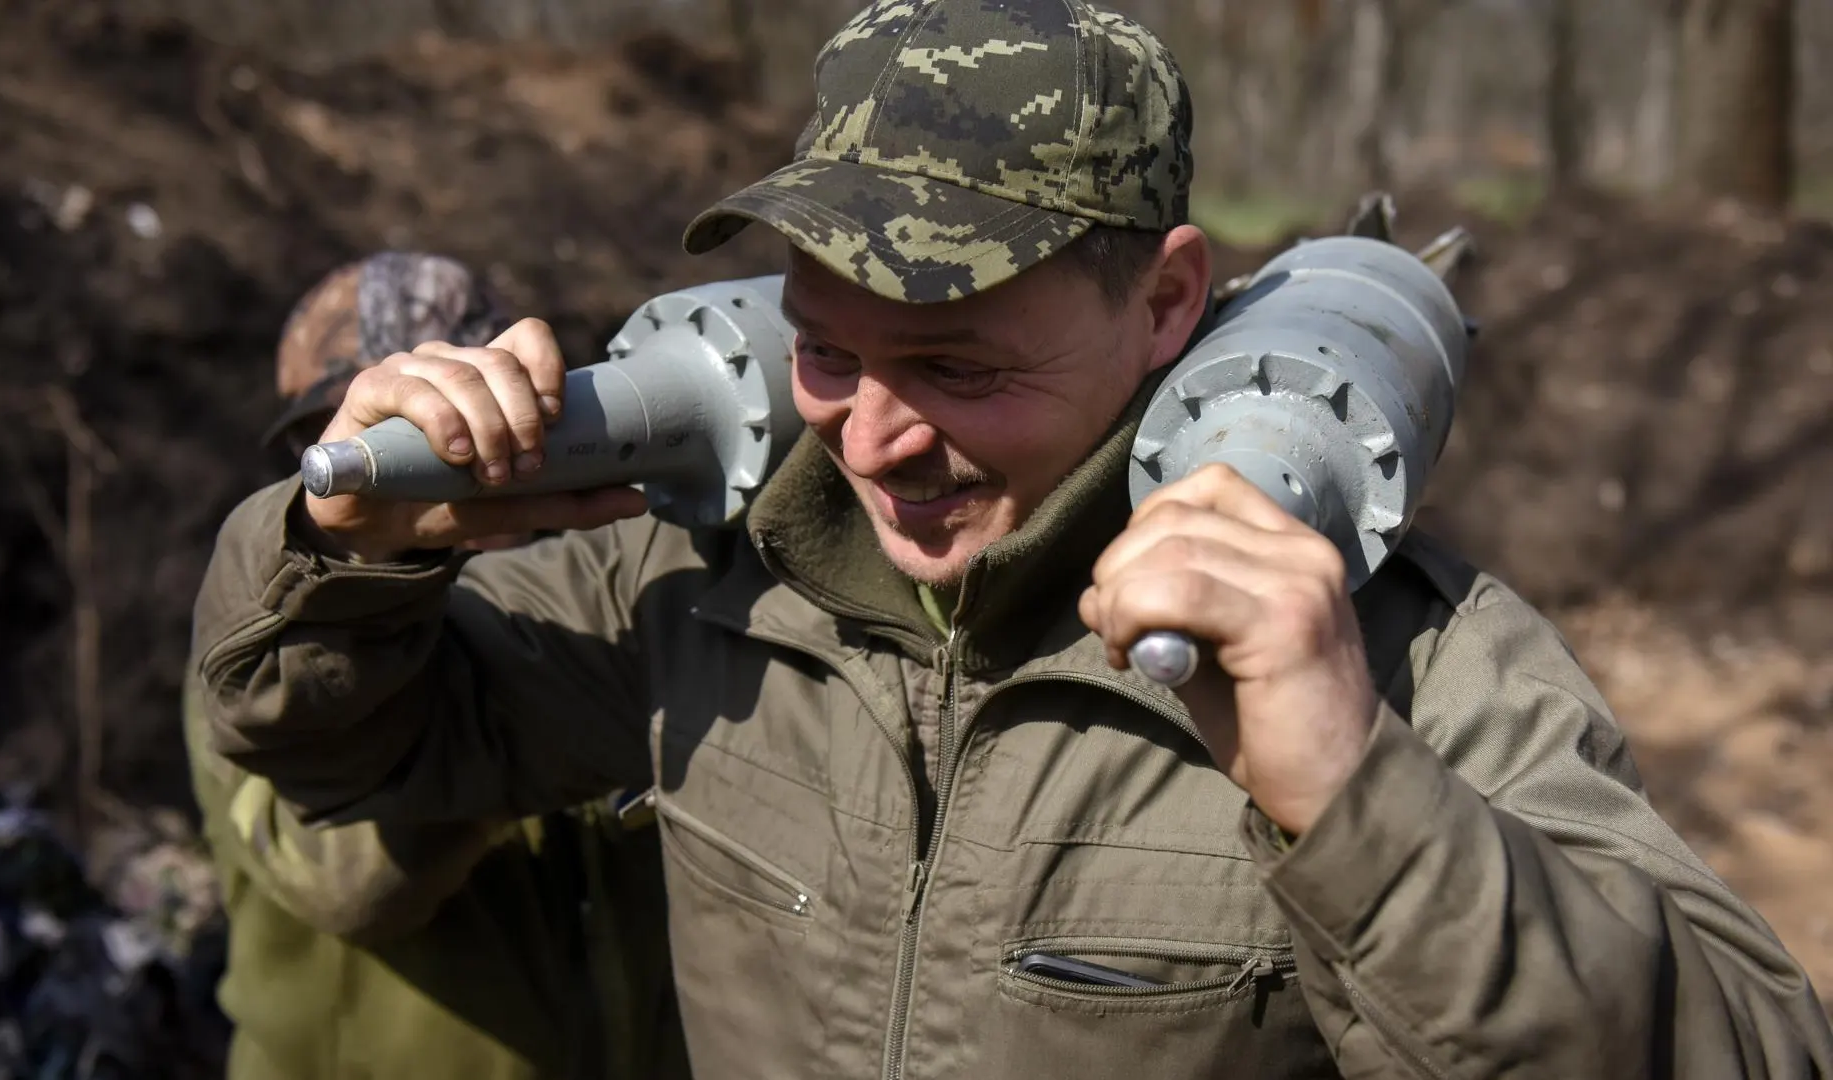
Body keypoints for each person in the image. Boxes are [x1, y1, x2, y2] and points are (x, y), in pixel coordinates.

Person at [191, 3, 1833, 1077]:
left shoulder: (1394, 654)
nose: (878, 439)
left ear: (1168, 300)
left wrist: (1354, 803)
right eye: (828, 351)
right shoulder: (709, 582)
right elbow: (326, 756)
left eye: (961, 369)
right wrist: (350, 544)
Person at [182, 251, 687, 1080]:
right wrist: (366, 590)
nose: (433, 473)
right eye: (376, 441)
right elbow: (348, 879)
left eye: (473, 433)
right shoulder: (263, 662)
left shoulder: (596, 605)